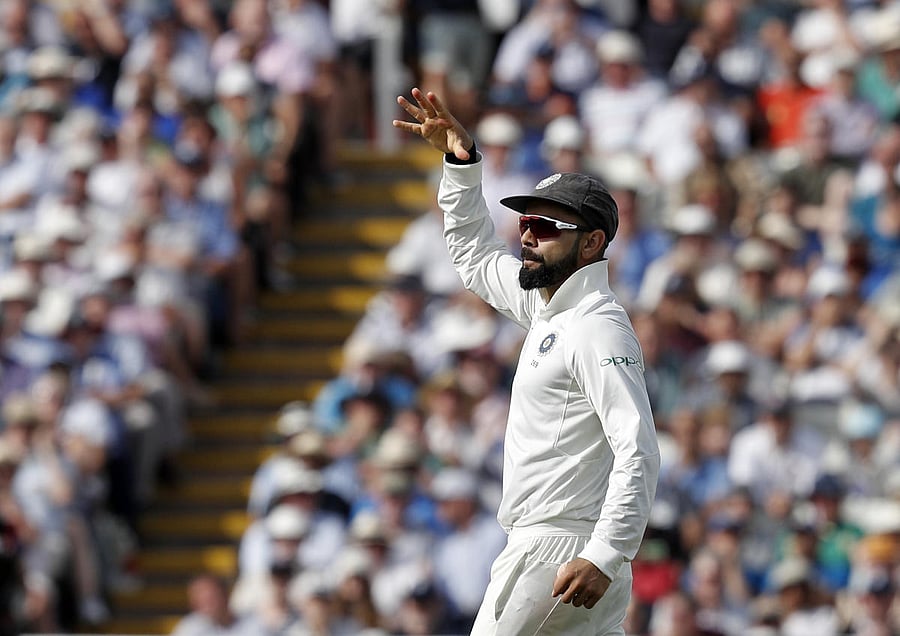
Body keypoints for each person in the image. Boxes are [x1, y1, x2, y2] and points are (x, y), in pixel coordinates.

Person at [393, 88, 660, 635]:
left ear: (591, 244)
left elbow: (638, 447)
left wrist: (606, 553)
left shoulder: (593, 325)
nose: (528, 236)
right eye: (526, 222)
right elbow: (472, 256)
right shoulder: (550, 309)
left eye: (546, 227)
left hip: (559, 549)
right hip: (563, 545)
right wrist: (462, 164)